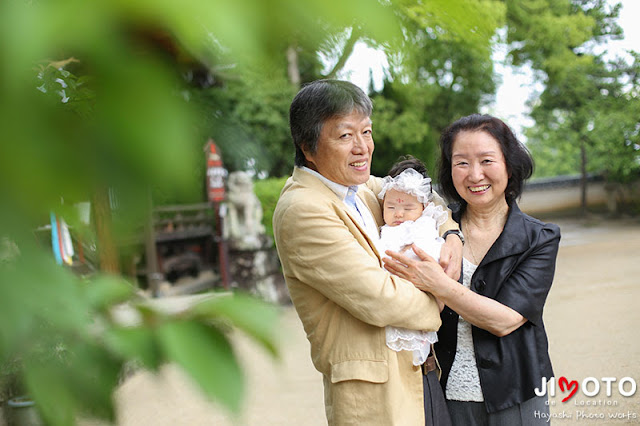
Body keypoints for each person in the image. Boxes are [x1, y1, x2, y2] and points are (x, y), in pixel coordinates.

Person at [273, 79, 464, 425]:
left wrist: (451, 233)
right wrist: (445, 292)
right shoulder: (303, 208)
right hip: (376, 396)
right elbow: (379, 298)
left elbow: (422, 196)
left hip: (422, 374)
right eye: (345, 136)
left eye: (367, 132)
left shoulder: (357, 188)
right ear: (308, 147)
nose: (362, 147)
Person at [382, 114, 561, 425]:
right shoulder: (428, 228)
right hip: (444, 392)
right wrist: (450, 232)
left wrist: (439, 284)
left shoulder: (539, 238)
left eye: (487, 160)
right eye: (461, 163)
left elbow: (505, 320)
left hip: (516, 393)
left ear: (509, 164)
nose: (475, 175)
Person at [375, 156, 452, 426]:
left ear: (422, 207)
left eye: (407, 207)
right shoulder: (382, 222)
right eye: (392, 206)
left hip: (419, 296)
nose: (398, 213)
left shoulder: (422, 228)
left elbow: (433, 253)